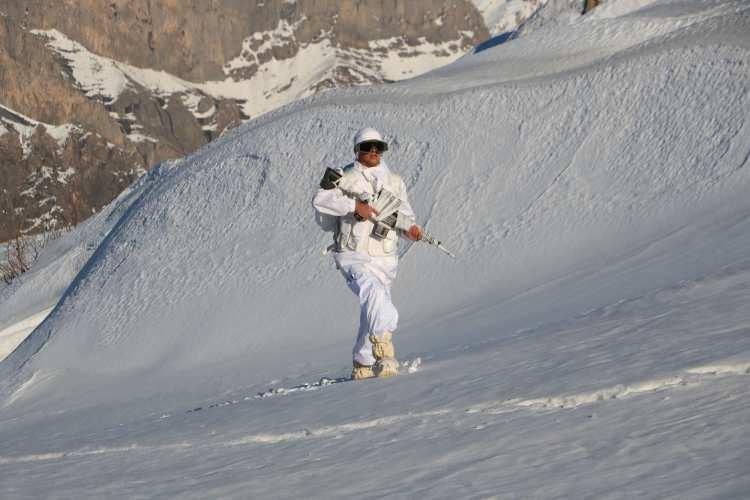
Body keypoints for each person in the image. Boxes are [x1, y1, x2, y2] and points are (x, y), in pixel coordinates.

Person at [313, 127, 422, 380]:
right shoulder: (343, 176)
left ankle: (362, 361)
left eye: (378, 147)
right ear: (357, 150)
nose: (373, 152)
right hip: (352, 253)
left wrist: (411, 231)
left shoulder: (395, 181)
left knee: (372, 304)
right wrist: (354, 206)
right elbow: (321, 200)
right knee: (372, 293)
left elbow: (405, 216)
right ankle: (384, 349)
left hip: (385, 256)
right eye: (367, 147)